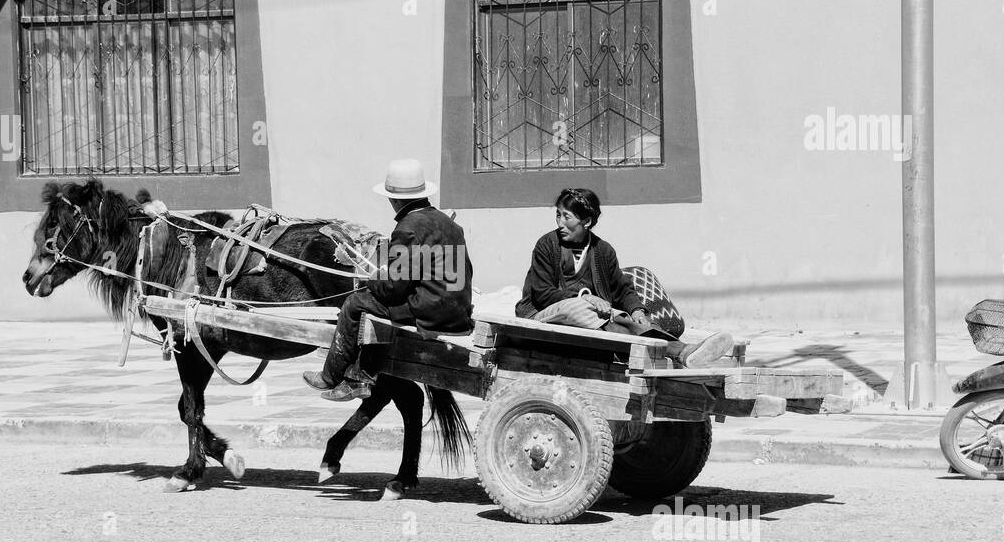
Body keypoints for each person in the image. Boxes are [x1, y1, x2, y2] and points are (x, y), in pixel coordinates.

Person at [304, 159, 473, 401]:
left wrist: (373, 280)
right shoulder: (450, 224)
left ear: (395, 200)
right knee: (370, 302)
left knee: (355, 303)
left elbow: (393, 289)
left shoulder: (408, 228)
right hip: (458, 310)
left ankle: (331, 376)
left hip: (431, 310)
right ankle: (358, 375)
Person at [515, 187, 733, 368]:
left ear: (587, 221)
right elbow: (543, 294)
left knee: (622, 315)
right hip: (544, 314)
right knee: (583, 309)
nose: (560, 222)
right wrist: (586, 298)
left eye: (566, 216)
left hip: (593, 318)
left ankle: (681, 352)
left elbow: (621, 287)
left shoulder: (603, 250)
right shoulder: (547, 245)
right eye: (558, 214)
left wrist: (637, 310)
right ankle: (680, 351)